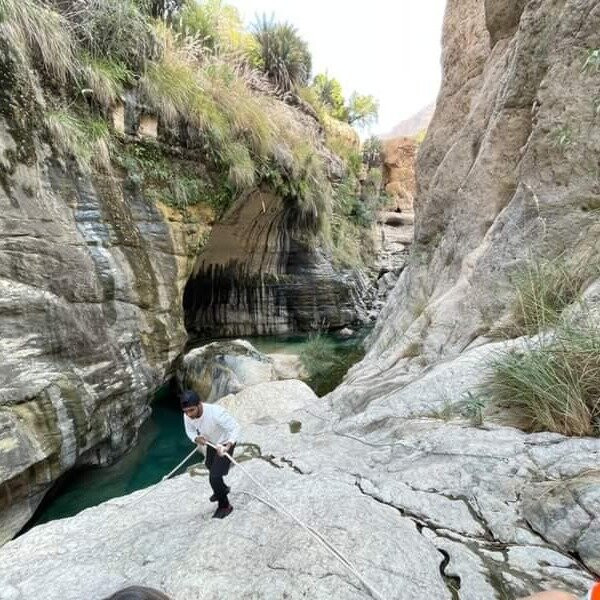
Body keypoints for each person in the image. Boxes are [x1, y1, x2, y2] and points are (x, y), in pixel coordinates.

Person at [180, 389, 240, 519]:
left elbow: (235, 427)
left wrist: (228, 446)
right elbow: (190, 431)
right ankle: (222, 489)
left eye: (192, 410)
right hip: (212, 442)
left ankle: (225, 506)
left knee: (214, 477)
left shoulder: (216, 413)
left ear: (199, 404)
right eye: (186, 411)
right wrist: (196, 438)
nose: (189, 414)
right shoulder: (187, 415)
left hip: (225, 443)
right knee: (209, 464)